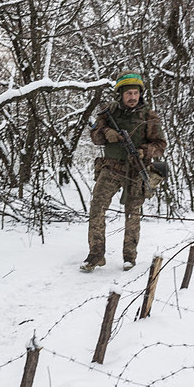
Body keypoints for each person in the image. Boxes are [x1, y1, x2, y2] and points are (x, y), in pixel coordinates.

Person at [80, 70, 166, 272]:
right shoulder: (108, 113)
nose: (133, 97)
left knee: (133, 214)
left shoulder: (149, 116)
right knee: (96, 210)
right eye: (129, 94)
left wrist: (145, 151)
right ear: (121, 94)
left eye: (136, 93)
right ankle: (96, 255)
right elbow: (94, 136)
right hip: (110, 168)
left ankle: (129, 257)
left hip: (136, 170)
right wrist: (105, 133)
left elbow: (161, 145)